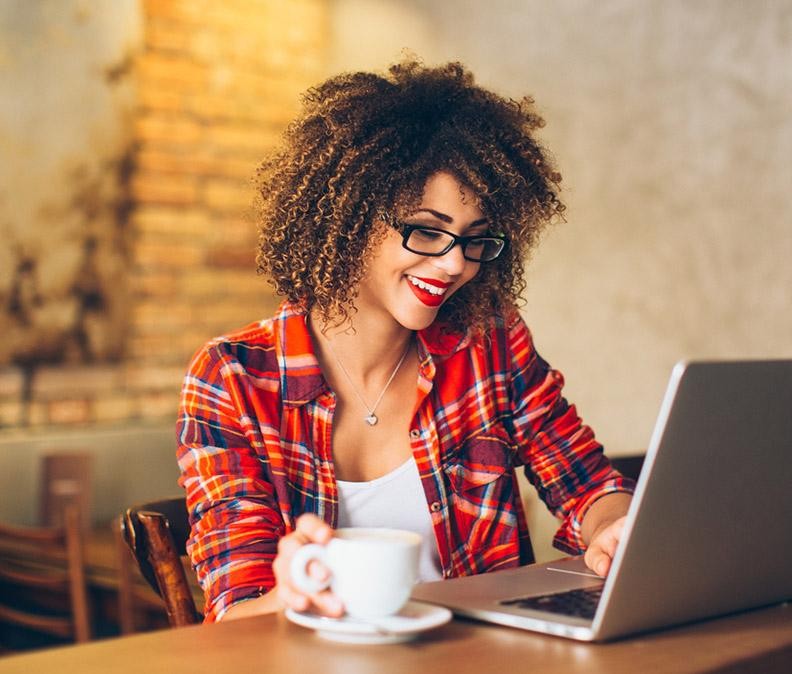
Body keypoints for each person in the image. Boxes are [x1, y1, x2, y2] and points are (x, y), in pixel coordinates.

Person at [176, 60, 635, 623]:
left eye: (474, 239)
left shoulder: (488, 343)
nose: (453, 264)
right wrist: (295, 595)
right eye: (426, 229)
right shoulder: (234, 379)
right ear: (349, 215)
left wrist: (615, 527)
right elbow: (237, 613)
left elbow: (588, 485)